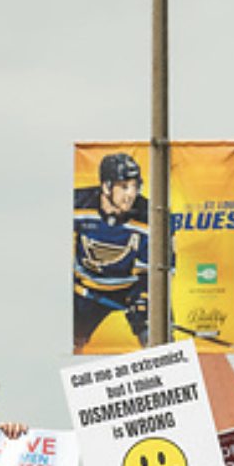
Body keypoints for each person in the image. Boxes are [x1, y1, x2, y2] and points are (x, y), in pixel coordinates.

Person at [72, 150, 150, 350]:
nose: (131, 194)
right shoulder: (77, 205)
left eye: (135, 186)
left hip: (130, 288)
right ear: (106, 186)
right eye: (124, 187)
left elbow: (154, 271)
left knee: (156, 335)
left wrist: (142, 297)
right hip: (86, 287)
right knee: (72, 338)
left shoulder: (151, 216)